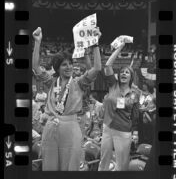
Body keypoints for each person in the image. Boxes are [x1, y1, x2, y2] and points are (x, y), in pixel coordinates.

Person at [32, 27, 102, 171]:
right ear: (57, 68)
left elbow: (97, 68)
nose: (69, 67)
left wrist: (95, 44)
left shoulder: (79, 83)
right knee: (50, 166)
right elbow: (35, 66)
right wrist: (37, 42)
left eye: (71, 64)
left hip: (71, 127)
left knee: (70, 165)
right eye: (64, 64)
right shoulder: (51, 81)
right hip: (51, 128)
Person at [98, 38, 140, 171]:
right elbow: (108, 65)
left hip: (123, 130)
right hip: (107, 127)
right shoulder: (113, 85)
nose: (123, 73)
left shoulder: (134, 93)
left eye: (127, 72)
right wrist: (119, 48)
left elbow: (131, 110)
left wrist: (136, 132)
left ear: (131, 77)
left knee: (121, 165)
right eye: (122, 72)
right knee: (104, 160)